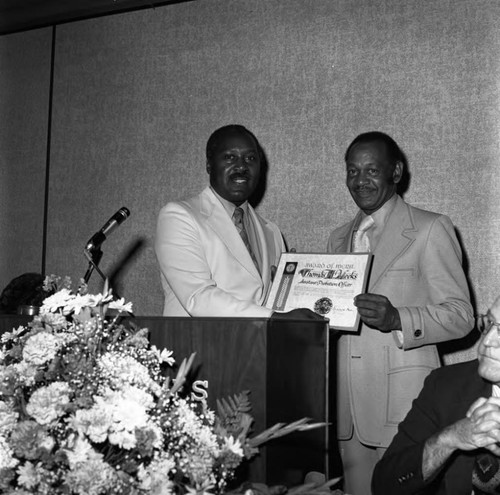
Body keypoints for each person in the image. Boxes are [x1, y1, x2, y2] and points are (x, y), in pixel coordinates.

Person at [327, 131, 474, 494]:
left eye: (371, 170)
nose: (360, 181)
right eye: (352, 171)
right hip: (347, 407)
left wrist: (399, 319)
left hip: (407, 402)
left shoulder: (430, 228)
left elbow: (461, 315)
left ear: (396, 172)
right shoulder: (335, 238)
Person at [155, 124, 321, 320]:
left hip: (262, 348)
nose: (242, 166)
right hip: (200, 346)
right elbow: (197, 298)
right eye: (229, 157)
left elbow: (272, 304)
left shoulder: (271, 232)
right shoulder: (179, 216)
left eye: (250, 158)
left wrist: (293, 291)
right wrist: (275, 318)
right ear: (209, 164)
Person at [372, 295, 500, 495]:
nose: (488, 340)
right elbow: (384, 484)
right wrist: (449, 439)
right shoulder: (448, 384)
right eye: (490, 322)